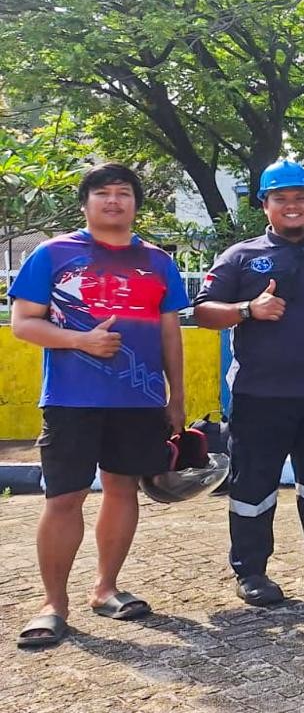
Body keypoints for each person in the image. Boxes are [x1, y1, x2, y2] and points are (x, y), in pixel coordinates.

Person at [10, 164, 188, 648]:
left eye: (124, 193)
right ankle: (53, 604)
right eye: (103, 193)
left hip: (140, 398)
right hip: (72, 399)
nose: (114, 201)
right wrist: (80, 341)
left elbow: (170, 332)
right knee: (64, 497)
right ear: (86, 203)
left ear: (135, 204)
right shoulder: (53, 254)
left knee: (122, 489)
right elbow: (23, 323)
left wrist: (178, 397)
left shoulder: (158, 262)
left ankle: (106, 588)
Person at [193, 160, 304, 605]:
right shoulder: (241, 257)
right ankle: (251, 571)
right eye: (281, 199)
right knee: (254, 485)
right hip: (261, 396)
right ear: (265, 206)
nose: (291, 206)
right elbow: (202, 312)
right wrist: (247, 310)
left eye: (300, 198)